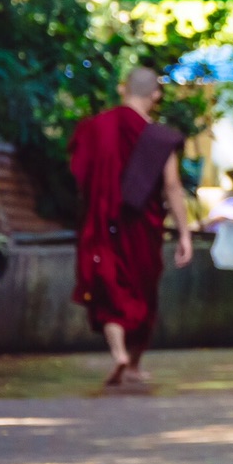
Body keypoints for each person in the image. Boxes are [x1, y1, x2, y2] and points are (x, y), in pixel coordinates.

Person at [69, 67, 195, 387]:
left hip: (105, 223)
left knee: (108, 289)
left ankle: (119, 353)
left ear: (122, 89)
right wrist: (184, 233)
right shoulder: (160, 138)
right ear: (156, 95)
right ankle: (135, 362)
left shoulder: (97, 128)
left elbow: (80, 174)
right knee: (143, 290)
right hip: (143, 228)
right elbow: (172, 186)